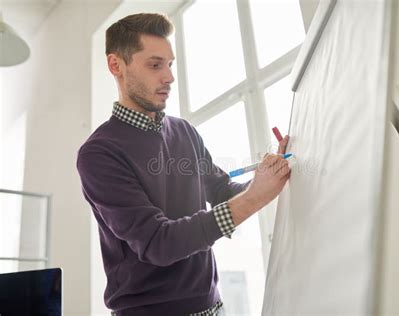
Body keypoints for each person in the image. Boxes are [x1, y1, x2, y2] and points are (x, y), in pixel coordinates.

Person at [76, 12, 291, 316]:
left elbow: (221, 190)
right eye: (154, 65)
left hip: (212, 306)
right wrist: (256, 196)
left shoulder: (184, 131)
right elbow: (159, 243)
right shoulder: (99, 154)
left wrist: (269, 178)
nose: (169, 77)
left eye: (170, 64)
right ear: (116, 65)